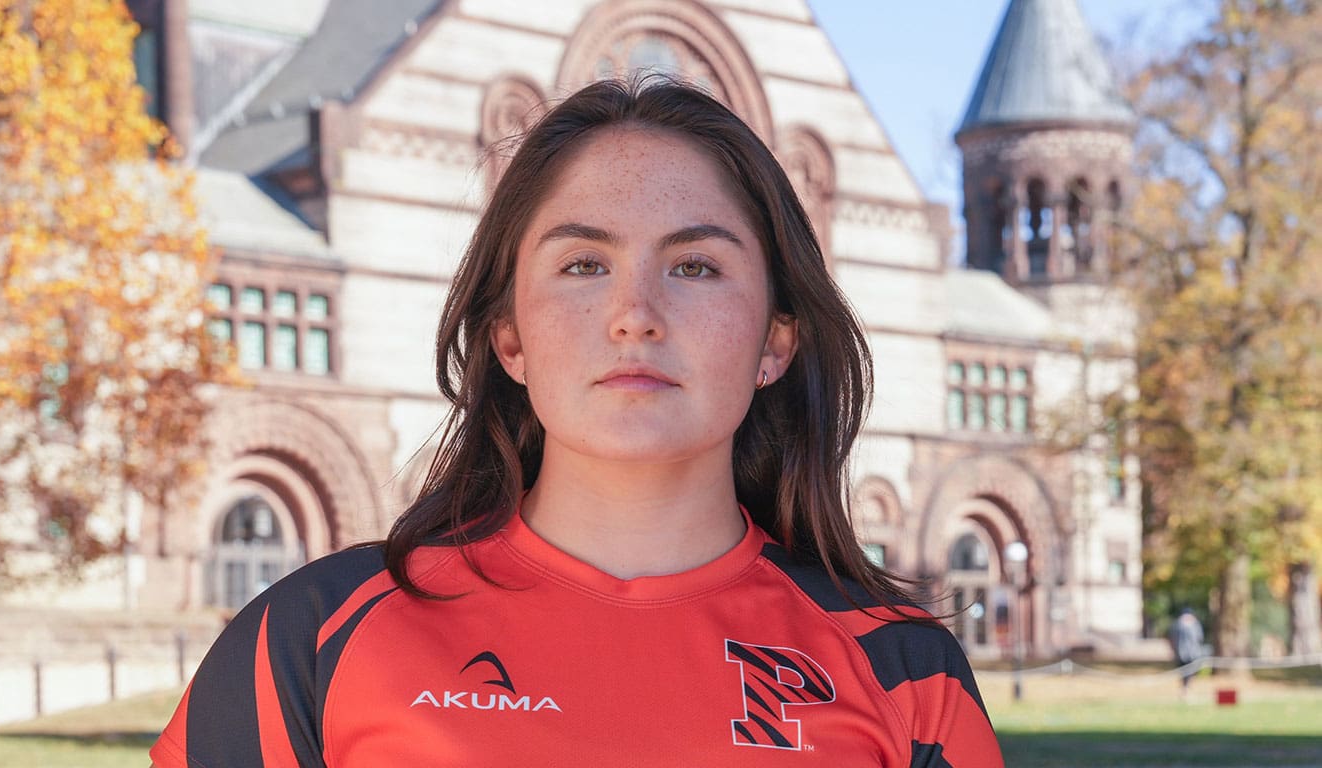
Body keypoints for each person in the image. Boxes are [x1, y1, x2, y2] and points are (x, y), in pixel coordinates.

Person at [150, 77, 1003, 767]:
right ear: (510, 340)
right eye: (584, 264)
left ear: (776, 341)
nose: (635, 316)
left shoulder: (904, 672)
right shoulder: (309, 640)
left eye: (695, 266)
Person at [1168, 607, 1206, 695]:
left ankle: (1185, 687)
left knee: (1185, 671)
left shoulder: (1177, 625)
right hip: (1189, 653)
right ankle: (1185, 687)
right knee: (1187, 671)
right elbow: (1200, 638)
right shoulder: (1193, 625)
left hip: (1183, 653)